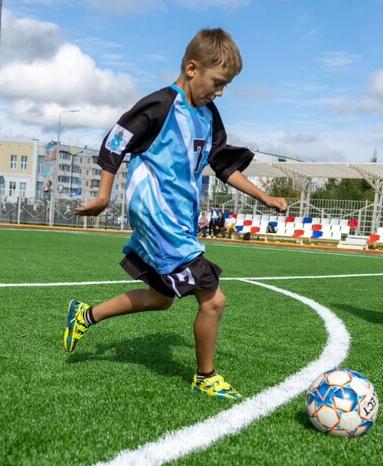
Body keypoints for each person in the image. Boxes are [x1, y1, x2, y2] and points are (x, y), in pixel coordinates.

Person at [63, 28, 287, 401]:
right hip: (156, 213)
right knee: (213, 300)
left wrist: (263, 196)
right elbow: (116, 139)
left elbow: (222, 165)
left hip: (179, 217)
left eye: (225, 85)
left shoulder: (208, 116)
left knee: (162, 297)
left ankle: (85, 315)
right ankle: (206, 376)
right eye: (217, 83)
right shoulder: (160, 105)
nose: (220, 92)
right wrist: (104, 194)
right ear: (192, 67)